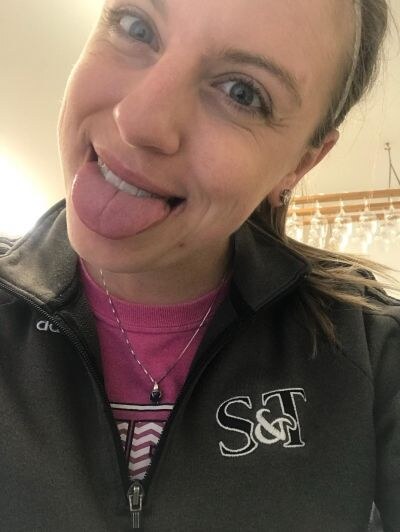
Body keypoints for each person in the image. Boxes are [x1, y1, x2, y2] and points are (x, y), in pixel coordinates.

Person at [0, 0, 398, 530]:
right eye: (137, 27)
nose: (137, 119)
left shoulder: (372, 349)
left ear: (300, 164)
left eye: (242, 92)